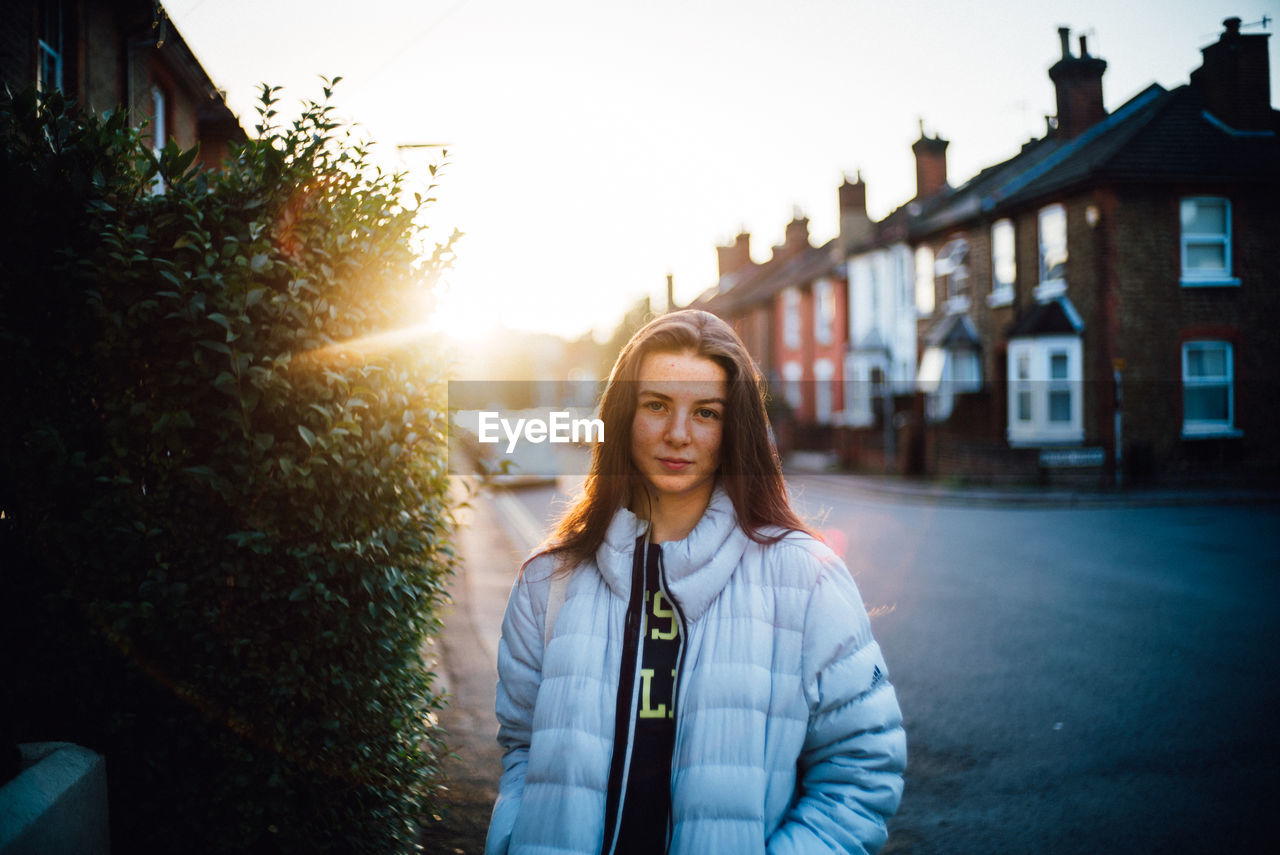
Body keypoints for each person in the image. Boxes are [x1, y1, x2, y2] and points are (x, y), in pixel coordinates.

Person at [485, 310, 905, 855]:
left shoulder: (807, 578)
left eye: (705, 413)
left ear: (734, 429)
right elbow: (522, 749)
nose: (677, 434)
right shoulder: (547, 581)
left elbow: (863, 767)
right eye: (656, 404)